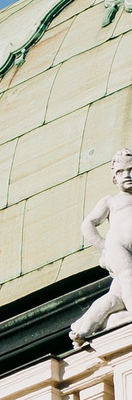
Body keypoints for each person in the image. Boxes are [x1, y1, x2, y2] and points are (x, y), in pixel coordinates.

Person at [74, 149, 132, 348]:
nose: (127, 175)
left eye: (131, 170)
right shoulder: (112, 201)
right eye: (121, 172)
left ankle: (83, 326)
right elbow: (88, 224)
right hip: (119, 246)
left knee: (116, 298)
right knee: (128, 276)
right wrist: (104, 248)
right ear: (114, 178)